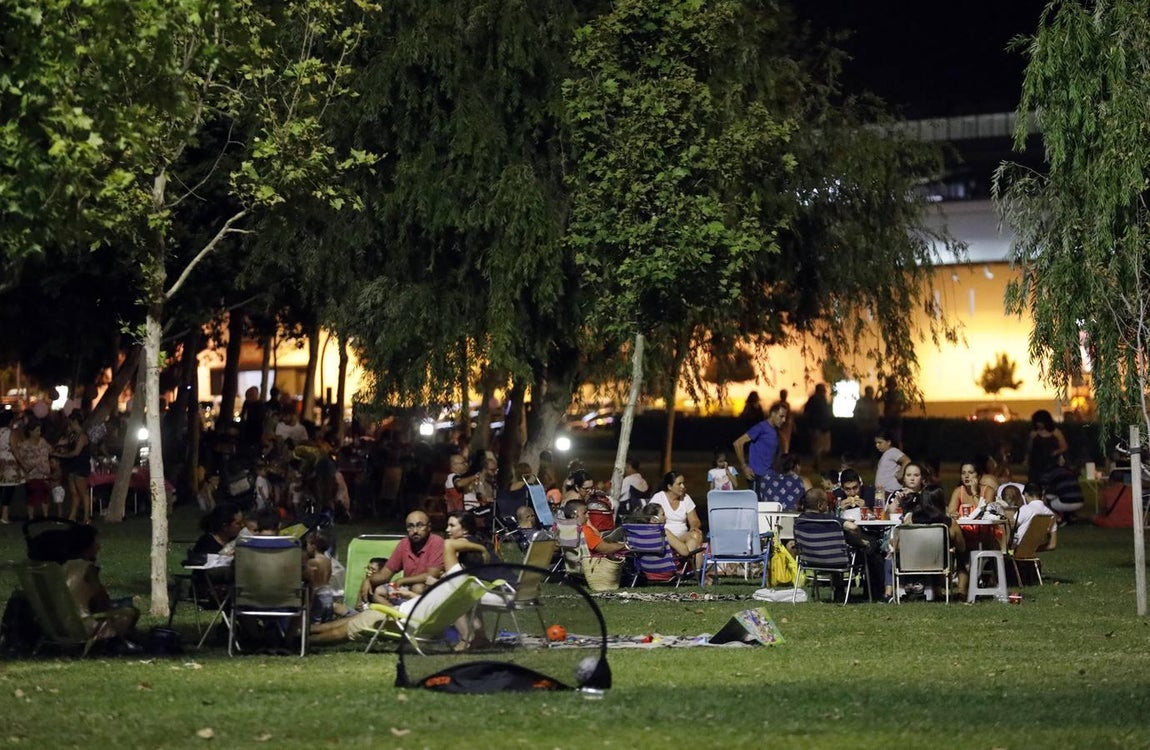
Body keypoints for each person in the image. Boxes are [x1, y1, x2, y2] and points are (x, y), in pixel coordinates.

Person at [63, 525, 141, 652]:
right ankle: (115, 643)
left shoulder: (65, 566)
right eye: (95, 543)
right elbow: (102, 600)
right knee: (131, 612)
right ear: (86, 545)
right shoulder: (88, 568)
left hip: (65, 623)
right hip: (83, 626)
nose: (98, 547)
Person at [888, 484, 968, 601]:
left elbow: (895, 544)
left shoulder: (910, 520)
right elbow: (962, 547)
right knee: (962, 555)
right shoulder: (950, 524)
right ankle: (962, 593)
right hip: (940, 564)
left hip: (912, 563)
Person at [356, 510, 445, 605]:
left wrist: (402, 580)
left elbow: (431, 575)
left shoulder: (437, 542)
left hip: (431, 590)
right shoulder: (404, 544)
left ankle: (410, 616)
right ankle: (397, 614)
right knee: (378, 591)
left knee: (417, 587)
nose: (415, 531)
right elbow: (385, 574)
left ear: (429, 527)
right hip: (406, 588)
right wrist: (368, 580)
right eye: (410, 526)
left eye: (419, 525)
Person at [733, 400, 789, 501]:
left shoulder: (775, 431)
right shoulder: (761, 427)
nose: (784, 420)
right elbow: (738, 443)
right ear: (772, 414)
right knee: (758, 508)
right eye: (781, 416)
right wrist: (744, 466)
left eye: (785, 417)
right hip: (756, 476)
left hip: (770, 476)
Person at [649, 471, 705, 570]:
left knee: (696, 535)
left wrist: (693, 528)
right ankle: (688, 569)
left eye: (683, 483)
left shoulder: (686, 498)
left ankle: (688, 569)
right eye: (679, 484)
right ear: (670, 486)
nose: (683, 486)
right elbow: (651, 520)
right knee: (693, 542)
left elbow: (695, 520)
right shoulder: (658, 498)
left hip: (681, 537)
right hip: (666, 537)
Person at [53, 411, 92, 524]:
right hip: (72, 466)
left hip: (80, 466)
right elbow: (64, 444)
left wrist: (59, 455)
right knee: (74, 493)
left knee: (83, 492)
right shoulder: (73, 435)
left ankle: (86, 517)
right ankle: (72, 516)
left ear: (75, 421)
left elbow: (75, 453)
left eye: (70, 422)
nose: (69, 425)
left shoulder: (82, 436)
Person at [15, 420, 51, 521]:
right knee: (32, 496)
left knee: (45, 495)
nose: (39, 433)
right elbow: (20, 459)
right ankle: (31, 517)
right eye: (37, 431)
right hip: (32, 474)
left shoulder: (43, 441)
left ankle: (45, 516)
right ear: (30, 431)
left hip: (44, 473)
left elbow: (50, 450)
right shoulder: (25, 445)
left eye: (40, 430)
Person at [1026, 409, 1068, 486]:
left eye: (1040, 422)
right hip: (1036, 464)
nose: (1039, 424)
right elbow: (1030, 448)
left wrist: (1056, 452)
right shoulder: (1034, 434)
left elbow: (1064, 446)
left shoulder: (1056, 432)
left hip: (1051, 463)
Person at [1041, 454, 1085, 525]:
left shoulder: (1049, 473)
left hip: (1066, 502)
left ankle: (1059, 519)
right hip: (1080, 501)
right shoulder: (1068, 471)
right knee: (1062, 495)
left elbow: (1044, 488)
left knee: (1044, 500)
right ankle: (1070, 517)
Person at [0, 411, 25, 524]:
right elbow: (15, 449)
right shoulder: (11, 433)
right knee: (8, 490)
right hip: (9, 463)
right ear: (11, 421)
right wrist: (23, 464)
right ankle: (5, 515)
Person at [804, 384, 832, 470]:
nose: (825, 391)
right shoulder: (814, 399)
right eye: (823, 390)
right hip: (817, 426)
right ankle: (818, 464)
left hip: (823, 426)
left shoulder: (822, 399)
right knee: (818, 447)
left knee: (823, 447)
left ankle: (817, 463)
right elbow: (807, 412)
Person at [873, 429, 910, 494]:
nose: (877, 445)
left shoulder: (893, 451)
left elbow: (907, 460)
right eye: (876, 443)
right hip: (883, 492)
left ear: (889, 442)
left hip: (891, 492)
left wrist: (901, 473)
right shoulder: (886, 454)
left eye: (880, 442)